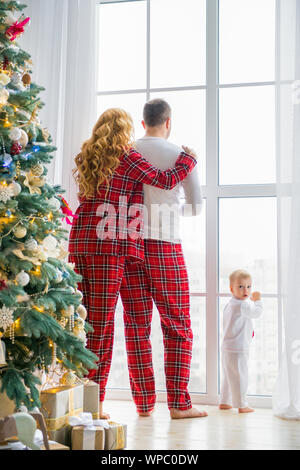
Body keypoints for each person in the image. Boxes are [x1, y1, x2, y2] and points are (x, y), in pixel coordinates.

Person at [68, 108, 197, 419]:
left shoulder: (88, 155)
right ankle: (97, 406)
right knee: (111, 327)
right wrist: (188, 161)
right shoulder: (126, 156)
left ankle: (100, 403)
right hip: (114, 246)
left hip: (82, 243)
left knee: (91, 323)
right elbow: (163, 180)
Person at [119, 99, 207, 419]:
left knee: (136, 325)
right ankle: (179, 404)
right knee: (177, 326)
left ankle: (143, 404)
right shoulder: (180, 157)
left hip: (130, 245)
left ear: (143, 123)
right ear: (168, 122)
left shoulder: (126, 151)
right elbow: (196, 206)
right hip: (165, 246)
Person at [219, 269, 263, 413]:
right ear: (231, 288)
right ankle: (242, 404)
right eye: (241, 286)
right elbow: (256, 313)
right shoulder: (243, 305)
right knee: (240, 376)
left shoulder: (230, 304)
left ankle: (225, 401)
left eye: (249, 286)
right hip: (238, 348)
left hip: (227, 347)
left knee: (228, 376)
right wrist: (257, 301)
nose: (246, 290)